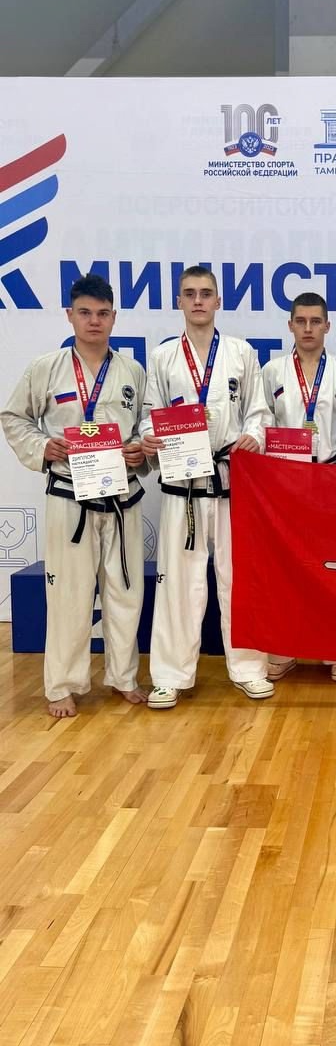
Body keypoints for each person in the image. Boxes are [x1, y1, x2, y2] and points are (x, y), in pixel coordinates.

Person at [1, 274, 148, 718]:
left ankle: (124, 677)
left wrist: (140, 450)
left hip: (121, 497)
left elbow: (145, 428)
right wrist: (42, 446)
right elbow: (14, 417)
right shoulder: (46, 368)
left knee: (125, 590)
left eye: (102, 313)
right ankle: (63, 684)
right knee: (69, 594)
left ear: (114, 317)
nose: (94, 321)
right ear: (70, 315)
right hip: (70, 496)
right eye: (85, 312)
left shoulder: (132, 372)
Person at [139, 265, 273, 709]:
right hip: (183, 483)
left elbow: (258, 410)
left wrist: (253, 434)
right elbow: (150, 414)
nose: (198, 300)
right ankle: (169, 676)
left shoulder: (240, 352)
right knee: (178, 581)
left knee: (240, 578)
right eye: (190, 293)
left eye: (205, 293)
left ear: (218, 301)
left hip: (232, 479)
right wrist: (149, 438)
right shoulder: (163, 357)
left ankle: (249, 668)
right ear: (179, 301)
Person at [262, 291, 336, 683]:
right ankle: (284, 650)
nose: (308, 328)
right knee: (287, 569)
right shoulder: (272, 371)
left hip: (333, 479)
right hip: (287, 482)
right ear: (290, 325)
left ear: (327, 326)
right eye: (300, 321)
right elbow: (262, 424)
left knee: (335, 571)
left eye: (315, 321)